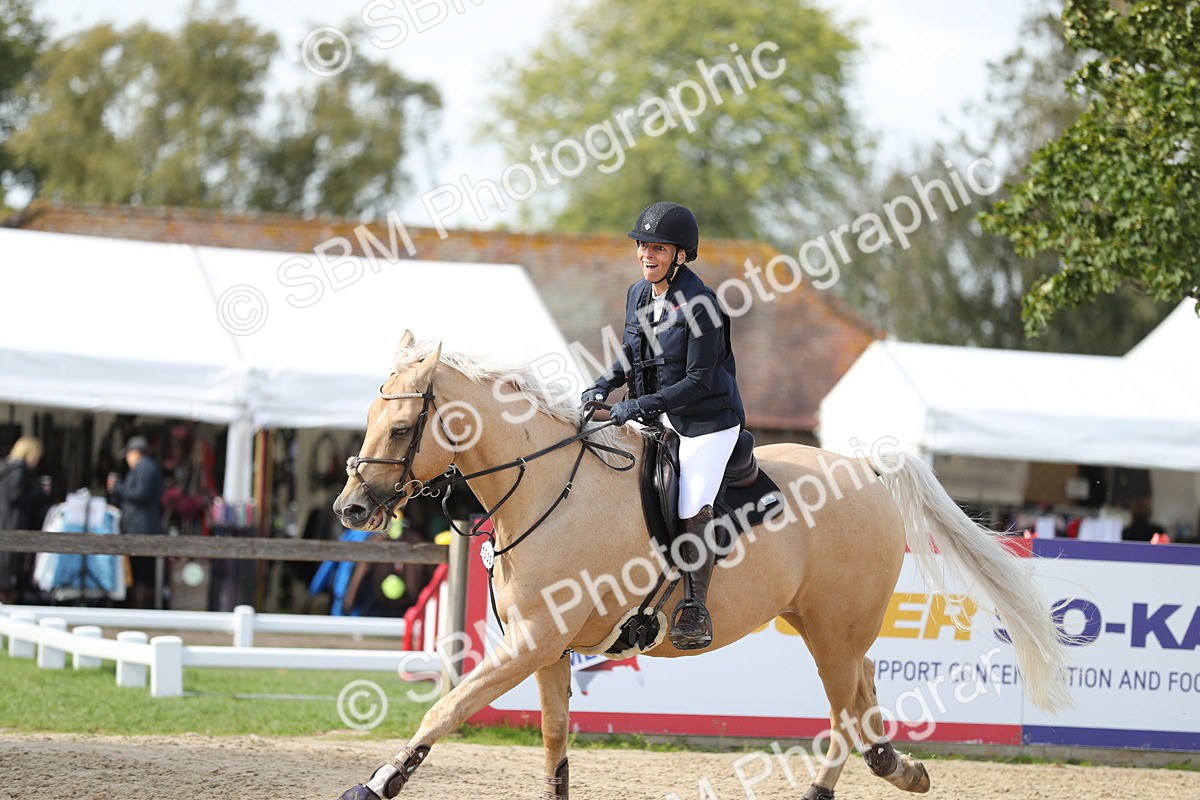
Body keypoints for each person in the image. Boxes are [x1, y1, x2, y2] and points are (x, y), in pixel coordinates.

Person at [581, 201, 746, 651]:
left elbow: (699, 381)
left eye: (658, 248)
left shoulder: (702, 306)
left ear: (681, 256)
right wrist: (602, 385)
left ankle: (694, 606)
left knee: (692, 500)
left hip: (705, 422)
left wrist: (636, 406)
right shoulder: (638, 294)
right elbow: (630, 355)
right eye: (642, 245)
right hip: (656, 415)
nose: (646, 254)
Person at [107, 435, 165, 608]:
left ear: (136, 453)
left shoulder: (145, 468)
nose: (127, 459)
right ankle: (139, 603)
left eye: (128, 454)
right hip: (140, 525)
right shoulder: (145, 467)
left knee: (141, 569)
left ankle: (140, 604)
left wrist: (119, 488)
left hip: (142, 527)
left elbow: (141, 494)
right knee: (140, 568)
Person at [0, 437, 51, 603]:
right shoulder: (20, 470)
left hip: (3, 520)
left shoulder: (5, 468)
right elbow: (17, 495)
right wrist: (40, 492)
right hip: (13, 522)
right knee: (11, 564)